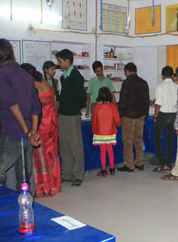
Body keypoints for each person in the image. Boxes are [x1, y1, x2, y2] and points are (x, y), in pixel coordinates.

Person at [0, 39, 41, 192]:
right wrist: (33, 132)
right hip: (27, 135)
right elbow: (35, 107)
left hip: (12, 132)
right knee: (24, 177)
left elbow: (11, 104)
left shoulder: (1, 73)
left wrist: (26, 131)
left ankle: (0, 207)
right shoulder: (26, 75)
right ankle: (24, 207)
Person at [21, 63, 61, 198]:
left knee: (39, 156)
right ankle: (53, 185)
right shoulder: (46, 83)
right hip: (53, 122)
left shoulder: (32, 86)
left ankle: (42, 188)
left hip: (41, 123)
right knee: (52, 154)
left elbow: (33, 108)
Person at [56, 49, 87, 186]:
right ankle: (66, 174)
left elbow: (82, 97)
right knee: (64, 147)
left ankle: (78, 175)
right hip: (62, 115)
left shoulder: (76, 76)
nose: (58, 64)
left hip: (73, 115)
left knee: (76, 147)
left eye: (60, 61)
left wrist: (76, 108)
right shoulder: (63, 77)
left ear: (67, 61)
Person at [117, 62, 150, 173]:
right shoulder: (144, 83)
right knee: (139, 139)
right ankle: (139, 163)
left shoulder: (126, 83)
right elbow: (147, 101)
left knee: (127, 140)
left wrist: (120, 115)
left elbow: (123, 101)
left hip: (128, 116)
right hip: (140, 116)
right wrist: (144, 116)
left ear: (127, 71)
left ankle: (129, 165)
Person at [151, 66, 178, 172]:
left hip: (163, 114)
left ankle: (162, 161)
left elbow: (158, 104)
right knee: (170, 139)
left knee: (157, 137)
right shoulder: (176, 86)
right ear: (172, 75)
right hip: (174, 114)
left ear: (162, 75)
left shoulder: (160, 87)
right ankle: (169, 161)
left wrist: (155, 117)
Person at [92, 87, 122, 177]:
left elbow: (94, 120)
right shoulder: (112, 106)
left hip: (100, 132)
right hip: (110, 131)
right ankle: (112, 169)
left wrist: (94, 131)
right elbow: (117, 119)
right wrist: (119, 124)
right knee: (110, 150)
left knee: (102, 151)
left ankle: (103, 170)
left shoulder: (97, 107)